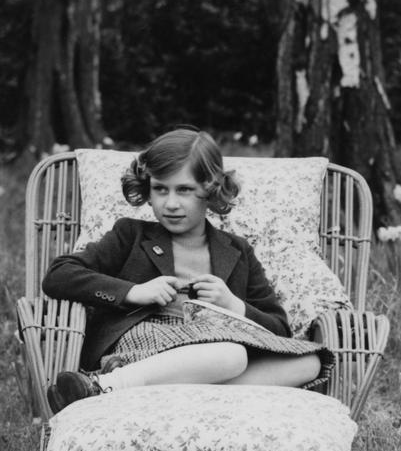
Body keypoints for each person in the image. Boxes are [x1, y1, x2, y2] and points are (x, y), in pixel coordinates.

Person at [43, 126, 332, 411]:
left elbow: (279, 329)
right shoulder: (130, 234)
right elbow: (59, 274)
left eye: (184, 190)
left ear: (210, 190)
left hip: (215, 343)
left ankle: (178, 394)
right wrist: (133, 292)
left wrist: (233, 305)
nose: (170, 204)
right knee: (231, 357)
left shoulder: (237, 250)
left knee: (310, 362)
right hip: (147, 341)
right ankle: (103, 385)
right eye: (159, 189)